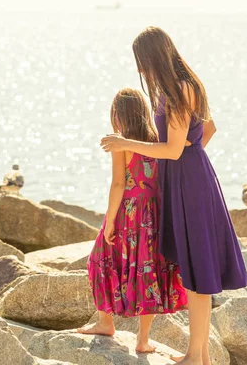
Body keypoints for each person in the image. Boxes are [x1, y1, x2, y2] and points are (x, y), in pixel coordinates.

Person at [101, 26, 247, 365]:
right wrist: (190, 151)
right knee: (193, 271)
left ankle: (196, 358)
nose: (140, 70)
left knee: (198, 274)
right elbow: (208, 128)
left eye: (142, 62)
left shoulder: (181, 89)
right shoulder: (178, 88)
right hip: (186, 179)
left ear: (154, 56)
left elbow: (170, 149)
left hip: (190, 186)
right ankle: (203, 356)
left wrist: (128, 144)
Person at [79, 88, 187, 353]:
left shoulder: (122, 143)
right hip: (153, 214)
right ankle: (143, 340)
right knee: (146, 270)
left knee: (99, 261)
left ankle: (106, 322)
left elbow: (118, 184)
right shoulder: (157, 140)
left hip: (128, 211)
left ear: (119, 114)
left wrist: (110, 220)